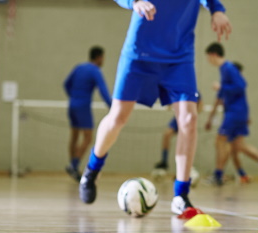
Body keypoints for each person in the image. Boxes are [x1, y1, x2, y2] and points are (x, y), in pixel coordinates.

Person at [79, 0, 232, 217]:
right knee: (117, 118)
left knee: (189, 119)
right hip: (140, 54)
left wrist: (217, 10)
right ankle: (91, 171)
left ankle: (181, 195)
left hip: (179, 56)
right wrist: (134, 2)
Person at [204, 44, 258, 186]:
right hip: (237, 112)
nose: (208, 60)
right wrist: (211, 117)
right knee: (238, 145)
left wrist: (221, 87)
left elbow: (241, 85)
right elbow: (220, 98)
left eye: (208, 57)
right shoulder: (224, 70)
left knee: (220, 141)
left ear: (213, 55)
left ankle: (218, 175)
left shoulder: (228, 67)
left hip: (235, 112)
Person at [63, 46, 111, 181]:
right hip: (83, 107)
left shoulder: (79, 67)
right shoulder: (95, 71)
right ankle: (74, 165)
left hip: (72, 105)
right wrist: (113, 107)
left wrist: (73, 97)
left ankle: (72, 165)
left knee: (74, 136)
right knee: (88, 138)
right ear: (99, 57)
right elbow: (103, 91)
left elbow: (66, 84)